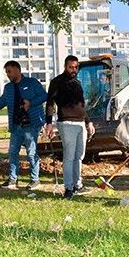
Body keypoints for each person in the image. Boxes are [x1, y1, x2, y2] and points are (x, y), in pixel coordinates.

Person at [0, 61, 47, 190]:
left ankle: (35, 180)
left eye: (9, 71)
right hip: (16, 125)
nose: (8, 75)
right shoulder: (8, 87)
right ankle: (12, 180)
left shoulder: (32, 83)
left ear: (17, 70)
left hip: (31, 124)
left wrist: (30, 103)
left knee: (31, 152)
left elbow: (44, 96)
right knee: (13, 152)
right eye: (7, 73)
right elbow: (4, 100)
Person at [45, 55, 95, 199]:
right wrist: (49, 123)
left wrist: (88, 122)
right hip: (66, 123)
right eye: (71, 67)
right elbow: (50, 103)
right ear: (65, 66)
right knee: (69, 156)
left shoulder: (78, 83)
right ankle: (68, 188)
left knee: (79, 156)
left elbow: (81, 106)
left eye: (76, 67)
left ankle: (77, 184)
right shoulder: (57, 82)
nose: (74, 70)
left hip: (81, 123)